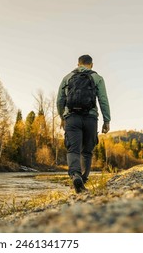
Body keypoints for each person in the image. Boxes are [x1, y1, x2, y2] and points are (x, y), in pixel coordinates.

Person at [57, 55, 111, 193]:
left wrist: (63, 117)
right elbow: (103, 99)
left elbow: (60, 100)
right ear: (91, 65)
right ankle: (83, 180)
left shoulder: (67, 77)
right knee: (87, 151)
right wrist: (106, 120)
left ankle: (75, 175)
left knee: (73, 149)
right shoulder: (97, 78)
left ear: (78, 64)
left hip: (72, 118)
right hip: (90, 118)